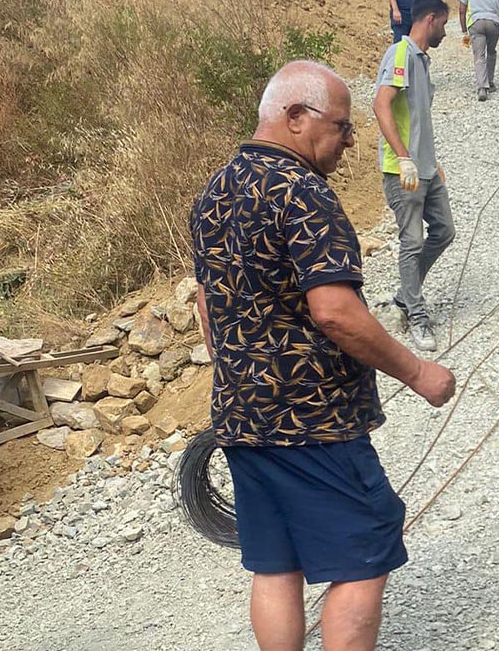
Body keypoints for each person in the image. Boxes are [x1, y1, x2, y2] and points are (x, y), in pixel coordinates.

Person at [189, 60, 457, 651]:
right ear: (294, 117)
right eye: (341, 125)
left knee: (275, 560)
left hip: (241, 414)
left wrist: (243, 371)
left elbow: (209, 309)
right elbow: (334, 311)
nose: (351, 140)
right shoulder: (304, 192)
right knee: (364, 552)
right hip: (315, 422)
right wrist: (417, 372)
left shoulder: (213, 193)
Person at [373, 0, 455, 352]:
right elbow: (380, 103)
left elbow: (418, 117)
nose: (445, 34)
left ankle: (407, 296)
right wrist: (404, 157)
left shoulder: (422, 62)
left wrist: (430, 160)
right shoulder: (401, 54)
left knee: (444, 231)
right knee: (412, 242)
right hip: (401, 170)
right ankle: (416, 317)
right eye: (444, 26)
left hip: (425, 168)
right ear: (430, 19)